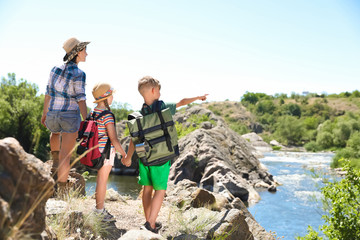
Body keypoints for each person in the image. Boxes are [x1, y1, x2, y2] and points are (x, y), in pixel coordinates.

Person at [123, 76, 208, 233]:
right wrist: (198, 97)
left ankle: (149, 221)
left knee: (147, 189)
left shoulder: (139, 115)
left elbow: (133, 139)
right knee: (160, 190)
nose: (160, 94)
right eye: (159, 91)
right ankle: (150, 224)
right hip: (161, 159)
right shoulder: (164, 108)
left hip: (145, 159)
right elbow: (182, 102)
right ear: (154, 91)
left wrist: (128, 157)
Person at [41, 37, 90, 194]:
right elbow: (81, 99)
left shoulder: (55, 68)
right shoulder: (79, 73)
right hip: (70, 116)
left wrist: (44, 114)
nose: (86, 54)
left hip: (52, 114)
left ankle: (54, 162)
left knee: (54, 132)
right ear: (77, 53)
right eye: (84, 51)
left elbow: (48, 93)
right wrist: (87, 120)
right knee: (66, 155)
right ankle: (62, 189)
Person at [91, 82, 129, 221]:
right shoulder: (107, 115)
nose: (113, 97)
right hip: (105, 152)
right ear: (106, 97)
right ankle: (99, 211)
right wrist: (124, 155)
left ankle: (98, 208)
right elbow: (114, 139)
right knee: (102, 180)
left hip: (94, 150)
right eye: (111, 95)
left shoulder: (93, 111)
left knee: (99, 179)